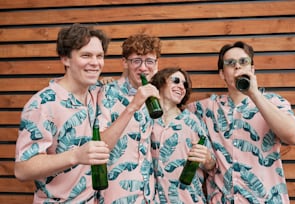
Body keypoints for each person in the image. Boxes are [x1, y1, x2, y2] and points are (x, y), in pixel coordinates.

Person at [187, 41, 295, 203]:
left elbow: (294, 136)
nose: (237, 66)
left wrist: (254, 93)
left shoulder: (274, 102)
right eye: (230, 63)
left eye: (243, 62)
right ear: (222, 73)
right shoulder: (205, 108)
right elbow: (171, 111)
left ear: (252, 69)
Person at [14, 23, 111, 203]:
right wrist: (75, 155)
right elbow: (22, 169)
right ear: (65, 59)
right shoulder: (42, 105)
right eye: (86, 55)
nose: (95, 63)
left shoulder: (94, 92)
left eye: (100, 56)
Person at [98, 33, 162, 203]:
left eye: (149, 61)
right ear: (124, 62)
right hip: (116, 194)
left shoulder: (159, 95)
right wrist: (133, 105)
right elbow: (100, 145)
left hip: (149, 195)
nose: (143, 68)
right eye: (136, 61)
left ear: (156, 64)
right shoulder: (106, 93)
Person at [150, 67, 216, 203]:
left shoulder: (191, 121)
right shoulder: (145, 119)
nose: (181, 86)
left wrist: (207, 159)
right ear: (160, 83)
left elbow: (211, 165)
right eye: (176, 81)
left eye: (185, 84)